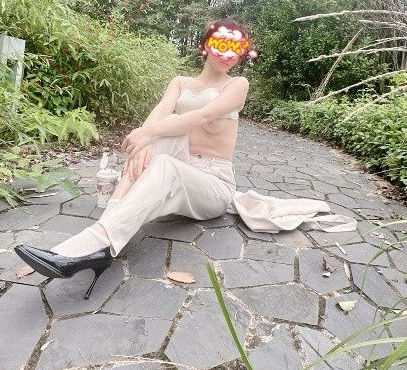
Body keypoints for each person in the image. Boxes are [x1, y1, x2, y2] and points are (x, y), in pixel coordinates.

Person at [14, 17, 258, 299]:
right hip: (182, 168)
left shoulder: (237, 84)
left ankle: (93, 242)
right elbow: (159, 112)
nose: (228, 54)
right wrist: (143, 141)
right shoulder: (180, 82)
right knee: (157, 136)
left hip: (213, 185)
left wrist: (148, 133)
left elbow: (203, 116)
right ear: (205, 45)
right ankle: (104, 234)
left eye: (236, 48)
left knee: (162, 149)